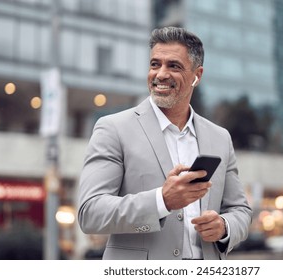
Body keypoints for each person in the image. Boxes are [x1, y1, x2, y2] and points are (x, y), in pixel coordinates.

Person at [77, 26, 253, 260]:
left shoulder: (220, 137)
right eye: (154, 64)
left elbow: (240, 210)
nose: (160, 74)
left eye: (174, 66)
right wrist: (162, 200)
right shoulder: (113, 129)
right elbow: (91, 213)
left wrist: (224, 226)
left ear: (197, 76)